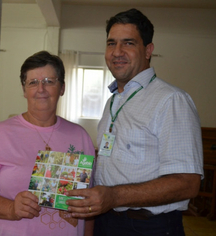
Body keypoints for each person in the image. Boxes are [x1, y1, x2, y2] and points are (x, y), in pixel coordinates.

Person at [65, 8, 203, 236]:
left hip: (148, 227)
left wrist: (114, 196)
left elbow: (187, 182)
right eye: (111, 43)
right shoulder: (114, 101)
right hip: (106, 221)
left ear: (148, 50)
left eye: (128, 43)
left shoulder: (171, 100)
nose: (117, 52)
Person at [0, 51, 95, 236]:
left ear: (62, 87)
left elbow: (88, 202)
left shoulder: (80, 137)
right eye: (33, 82)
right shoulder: (0, 134)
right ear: (24, 90)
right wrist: (11, 208)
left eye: (49, 81)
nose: (41, 89)